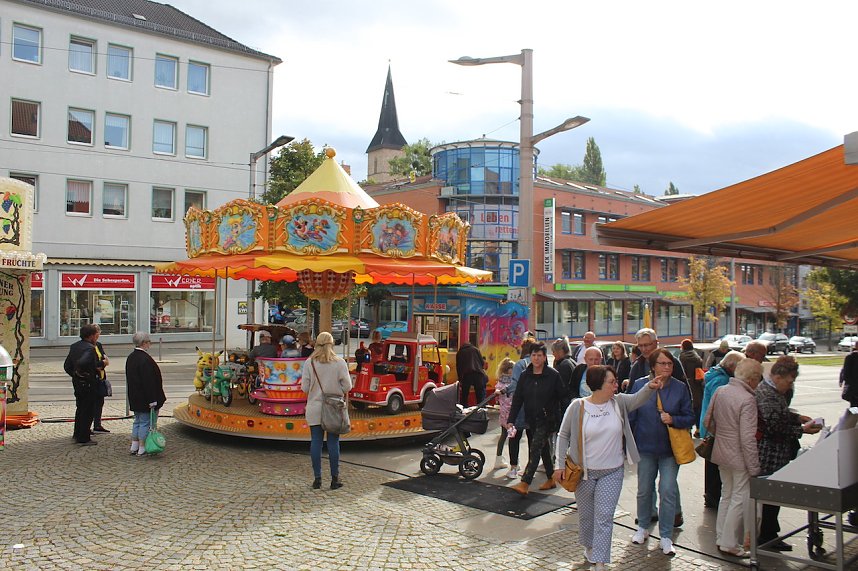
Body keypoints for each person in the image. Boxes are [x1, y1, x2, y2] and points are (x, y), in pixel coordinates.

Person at [555, 365, 663, 571]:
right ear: (598, 385)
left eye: (615, 381)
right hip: (584, 473)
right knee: (587, 516)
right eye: (611, 382)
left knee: (604, 516)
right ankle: (589, 546)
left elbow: (637, 399)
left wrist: (650, 386)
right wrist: (559, 466)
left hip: (612, 471)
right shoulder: (577, 406)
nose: (616, 385)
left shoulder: (619, 402)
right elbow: (563, 436)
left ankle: (600, 561)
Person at [628, 348, 695, 556]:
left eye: (670, 364)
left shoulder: (680, 388)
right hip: (645, 447)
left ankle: (666, 535)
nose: (667, 367)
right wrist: (627, 443)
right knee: (644, 489)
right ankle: (643, 527)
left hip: (669, 450)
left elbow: (690, 416)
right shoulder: (640, 385)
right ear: (653, 366)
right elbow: (631, 414)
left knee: (667, 490)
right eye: (663, 364)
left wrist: (673, 419)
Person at [756, 355, 821, 551]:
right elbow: (774, 427)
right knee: (771, 496)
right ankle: (767, 536)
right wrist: (803, 430)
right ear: (778, 377)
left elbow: (779, 417)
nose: (790, 386)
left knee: (772, 496)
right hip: (770, 454)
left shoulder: (771, 390)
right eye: (790, 381)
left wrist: (797, 417)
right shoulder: (768, 394)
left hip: (774, 452)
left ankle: (769, 533)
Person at [704, 358, 763, 558]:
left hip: (721, 450)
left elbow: (707, 420)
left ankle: (722, 537)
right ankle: (729, 542)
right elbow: (748, 438)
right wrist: (754, 467)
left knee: (726, 495)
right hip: (738, 455)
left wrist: (720, 435)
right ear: (753, 379)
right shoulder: (747, 400)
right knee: (739, 496)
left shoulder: (722, 391)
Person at [506, 342, 565, 496]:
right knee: (543, 447)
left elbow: (563, 398)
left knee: (536, 447)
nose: (536, 358)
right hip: (531, 418)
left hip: (548, 418)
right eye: (534, 355)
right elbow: (518, 399)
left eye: (540, 355)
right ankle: (551, 478)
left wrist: (565, 421)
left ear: (545, 357)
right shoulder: (525, 375)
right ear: (530, 356)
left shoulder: (553, 375)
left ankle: (525, 482)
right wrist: (511, 419)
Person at [301, 332, 352, 490]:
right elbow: (348, 386)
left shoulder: (310, 363)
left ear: (317, 344)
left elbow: (304, 388)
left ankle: (317, 479)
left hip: (315, 407)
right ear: (332, 344)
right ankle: (334, 479)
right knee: (333, 442)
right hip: (333, 408)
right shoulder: (339, 363)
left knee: (316, 441)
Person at [699, 351, 746, 508]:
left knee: (711, 462)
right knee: (714, 465)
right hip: (714, 428)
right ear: (732, 366)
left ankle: (711, 495)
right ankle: (712, 496)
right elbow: (720, 407)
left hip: (710, 426)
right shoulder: (722, 380)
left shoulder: (715, 375)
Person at [125, 332, 167, 456]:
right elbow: (149, 382)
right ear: (144, 343)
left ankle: (134, 445)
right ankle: (142, 447)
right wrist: (152, 400)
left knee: (137, 421)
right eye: (149, 342)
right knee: (145, 422)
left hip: (135, 397)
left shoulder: (131, 357)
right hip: (145, 398)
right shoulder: (145, 359)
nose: (150, 344)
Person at [63, 324, 104, 446]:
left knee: (80, 408)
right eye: (97, 335)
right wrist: (101, 364)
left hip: (77, 383)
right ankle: (84, 437)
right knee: (88, 410)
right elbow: (83, 363)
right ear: (91, 335)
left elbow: (67, 366)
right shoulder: (89, 348)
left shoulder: (75, 346)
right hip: (88, 384)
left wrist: (75, 375)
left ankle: (77, 433)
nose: (98, 337)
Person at [505, 336, 536, 479]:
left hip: (520, 407)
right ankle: (530, 467)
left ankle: (513, 467)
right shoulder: (538, 363)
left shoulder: (519, 365)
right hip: (534, 405)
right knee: (532, 438)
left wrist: (504, 390)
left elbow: (515, 385)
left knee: (514, 437)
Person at [626, 328, 688, 393]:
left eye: (646, 345)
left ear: (655, 343)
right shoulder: (637, 366)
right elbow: (630, 393)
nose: (643, 349)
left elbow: (685, 392)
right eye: (640, 346)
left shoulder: (672, 362)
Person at [492, 357, 515, 471]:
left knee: (503, 436)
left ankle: (498, 459)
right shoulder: (512, 383)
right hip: (511, 415)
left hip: (503, 414)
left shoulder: (500, 382)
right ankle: (514, 463)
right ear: (508, 370)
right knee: (513, 439)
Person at [678, 339, 704, 434]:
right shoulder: (697, 357)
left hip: (687, 384)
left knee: (687, 406)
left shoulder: (682, 357)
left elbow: (682, 373)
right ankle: (698, 428)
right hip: (697, 385)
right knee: (697, 407)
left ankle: (688, 428)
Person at [90, 324, 111, 434]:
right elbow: (93, 363)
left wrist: (103, 363)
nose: (99, 334)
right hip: (91, 379)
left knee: (99, 402)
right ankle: (87, 427)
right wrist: (101, 363)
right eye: (98, 332)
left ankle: (97, 425)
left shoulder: (98, 345)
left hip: (100, 378)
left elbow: (104, 358)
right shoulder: (87, 346)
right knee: (90, 404)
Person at [456, 342, 487, 407]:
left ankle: (464, 408)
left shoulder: (460, 352)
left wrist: (459, 378)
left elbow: (458, 367)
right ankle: (480, 409)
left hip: (466, 375)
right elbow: (481, 362)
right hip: (478, 374)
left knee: (465, 394)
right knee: (479, 394)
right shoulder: (476, 349)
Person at [551, 337, 576, 414]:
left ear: (561, 351)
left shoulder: (563, 365)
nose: (553, 354)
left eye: (554, 351)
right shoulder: (571, 361)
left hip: (565, 404)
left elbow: (561, 388)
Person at [839, 339, 858, 407]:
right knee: (854, 408)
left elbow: (845, 373)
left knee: (854, 408)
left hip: (853, 390)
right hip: (854, 390)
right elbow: (846, 373)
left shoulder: (850, 357)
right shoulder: (851, 357)